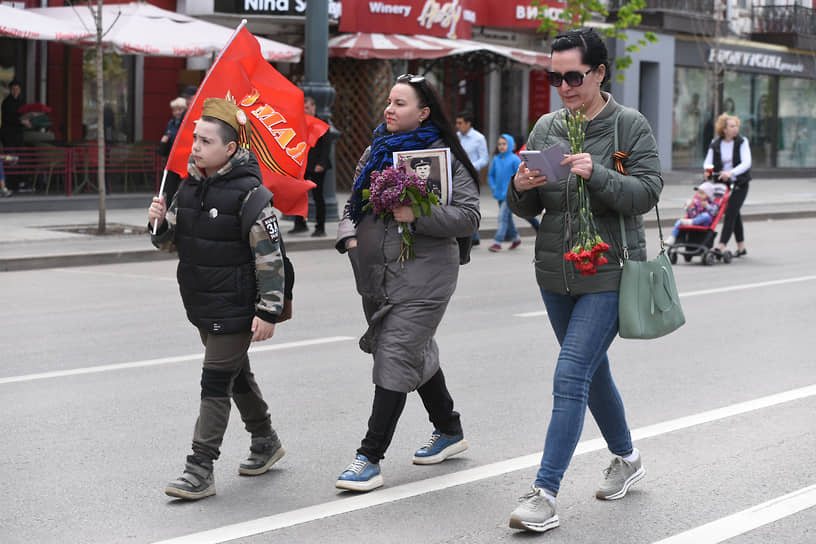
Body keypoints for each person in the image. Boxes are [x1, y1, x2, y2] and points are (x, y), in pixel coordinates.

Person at [506, 27, 662, 533]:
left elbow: (647, 193)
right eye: (556, 77)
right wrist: (521, 185)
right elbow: (524, 205)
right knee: (593, 374)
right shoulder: (547, 127)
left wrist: (598, 173)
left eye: (574, 76)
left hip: (610, 271)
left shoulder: (627, 126)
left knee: (570, 374)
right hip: (555, 272)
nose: (564, 86)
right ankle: (628, 458)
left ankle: (544, 493)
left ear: (598, 72)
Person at [334, 74, 480, 492]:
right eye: (389, 101)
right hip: (378, 276)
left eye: (400, 103)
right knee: (409, 350)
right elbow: (352, 203)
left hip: (427, 278)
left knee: (395, 354)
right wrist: (348, 235)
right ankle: (449, 429)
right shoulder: (375, 152)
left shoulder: (445, 159)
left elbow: (470, 218)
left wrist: (419, 215)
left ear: (424, 112)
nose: (389, 109)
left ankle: (369, 457)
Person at [147, 98, 294, 501]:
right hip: (202, 303)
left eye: (205, 140)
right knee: (235, 376)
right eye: (195, 138)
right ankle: (265, 440)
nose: (195, 146)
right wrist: (157, 220)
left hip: (238, 305)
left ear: (229, 149)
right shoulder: (188, 187)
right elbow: (167, 242)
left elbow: (271, 258)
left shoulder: (251, 195)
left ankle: (200, 468)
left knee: (214, 380)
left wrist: (268, 311)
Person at [704, 113, 751, 258]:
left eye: (736, 125)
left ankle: (721, 246)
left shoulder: (742, 142)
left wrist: (731, 173)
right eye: (731, 126)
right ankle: (741, 247)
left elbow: (746, 163)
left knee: (730, 211)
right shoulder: (716, 143)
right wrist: (710, 172)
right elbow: (707, 163)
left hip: (739, 183)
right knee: (734, 213)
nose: (735, 128)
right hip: (722, 184)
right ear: (724, 129)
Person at [290, 95, 332, 237]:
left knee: (318, 196)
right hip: (303, 165)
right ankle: (299, 223)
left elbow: (326, 146)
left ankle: (320, 227)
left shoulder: (322, 123)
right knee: (298, 195)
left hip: (317, 166)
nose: (305, 110)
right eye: (303, 108)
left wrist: (321, 163)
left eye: (307, 107)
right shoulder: (300, 122)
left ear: (314, 107)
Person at [456, 111, 488, 245]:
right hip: (456, 176)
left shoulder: (478, 138)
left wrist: (469, 167)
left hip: (471, 177)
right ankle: (471, 236)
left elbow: (484, 159)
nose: (457, 126)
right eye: (456, 123)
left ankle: (474, 235)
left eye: (460, 123)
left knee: (470, 205)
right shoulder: (456, 137)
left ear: (468, 124)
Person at [488, 133, 522, 252]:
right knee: (507, 218)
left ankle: (497, 242)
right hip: (499, 195)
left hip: (510, 195)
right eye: (499, 144)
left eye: (504, 144)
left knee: (502, 217)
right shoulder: (496, 159)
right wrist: (493, 186)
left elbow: (520, 175)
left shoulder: (514, 159)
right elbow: (491, 175)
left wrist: (516, 189)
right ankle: (516, 238)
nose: (501, 146)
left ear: (511, 145)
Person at [665, 181, 720, 246]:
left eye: (702, 193)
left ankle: (691, 222)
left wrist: (707, 206)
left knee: (706, 216)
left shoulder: (713, 203)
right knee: (679, 221)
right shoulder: (697, 202)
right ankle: (672, 238)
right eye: (698, 193)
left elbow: (715, 213)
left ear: (708, 195)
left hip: (706, 223)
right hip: (694, 220)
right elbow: (692, 214)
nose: (699, 195)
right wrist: (688, 207)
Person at [1, 80, 31, 192]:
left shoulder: (21, 102)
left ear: (20, 90)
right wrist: (21, 121)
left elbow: (24, 115)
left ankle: (21, 182)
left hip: (19, 134)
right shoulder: (6, 102)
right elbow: (7, 119)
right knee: (11, 158)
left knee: (21, 157)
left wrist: (28, 121)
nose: (15, 91)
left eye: (17, 89)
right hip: (8, 135)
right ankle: (11, 184)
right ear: (10, 90)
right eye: (13, 89)